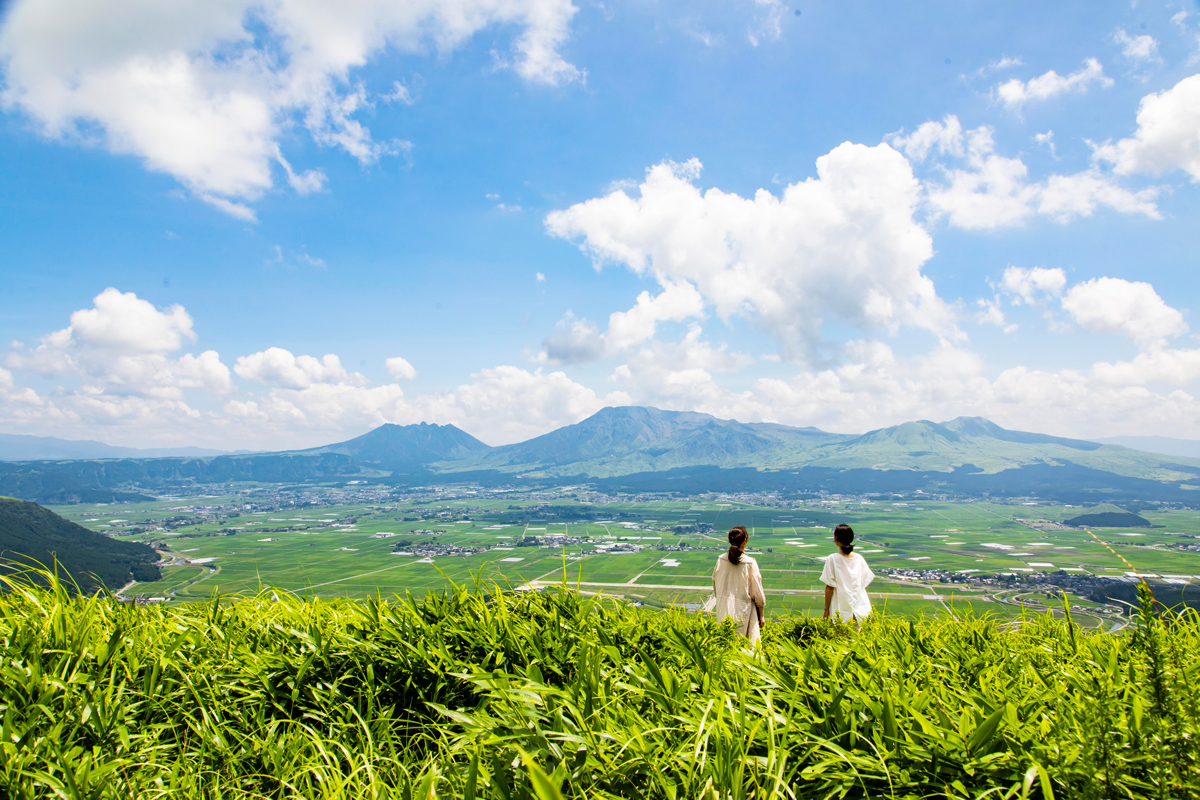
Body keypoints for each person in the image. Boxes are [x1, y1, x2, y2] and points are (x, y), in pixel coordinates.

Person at [712, 525, 766, 643]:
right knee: (746, 648)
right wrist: (761, 615)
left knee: (724, 644)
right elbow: (757, 592)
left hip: (723, 608)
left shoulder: (721, 560)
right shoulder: (749, 563)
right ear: (745, 541)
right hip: (744, 611)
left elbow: (715, 584)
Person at [820, 523, 875, 623]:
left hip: (840, 608)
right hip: (861, 607)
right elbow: (864, 582)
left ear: (836, 539)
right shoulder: (859, 558)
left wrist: (826, 610)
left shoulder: (832, 559)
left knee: (840, 636)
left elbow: (829, 586)